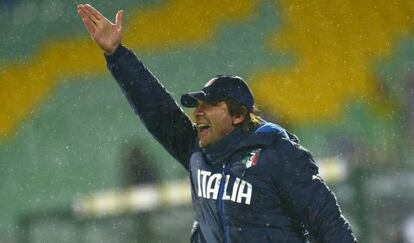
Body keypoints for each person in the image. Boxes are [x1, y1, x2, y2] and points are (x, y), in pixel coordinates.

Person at [77, 3, 358, 243]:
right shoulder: (198, 152)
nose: (199, 112)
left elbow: (329, 226)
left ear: (238, 115)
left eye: (210, 105)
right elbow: (157, 110)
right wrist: (117, 55)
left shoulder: (278, 155)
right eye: (197, 106)